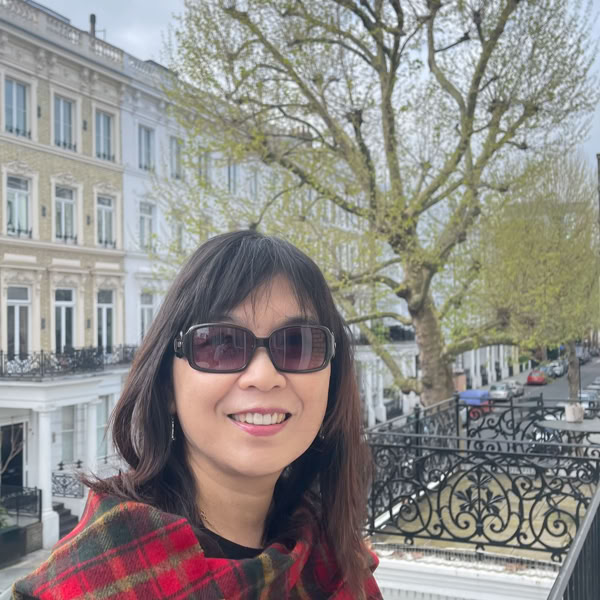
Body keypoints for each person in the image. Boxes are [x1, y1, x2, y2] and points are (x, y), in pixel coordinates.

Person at [14, 231, 382, 599]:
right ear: (166, 386)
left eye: (298, 343)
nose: (264, 377)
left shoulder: (336, 563)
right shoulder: (89, 582)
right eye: (220, 344)